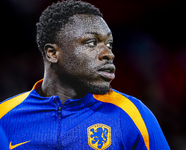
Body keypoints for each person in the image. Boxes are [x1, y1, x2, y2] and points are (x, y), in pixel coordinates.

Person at [0, 0, 170, 149]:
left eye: (109, 44)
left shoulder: (133, 114)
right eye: (91, 42)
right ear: (52, 53)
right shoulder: (4, 117)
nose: (108, 54)